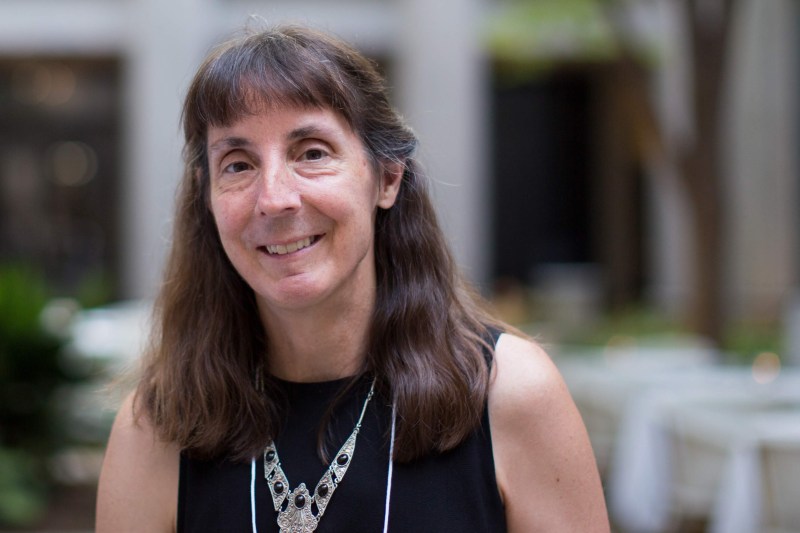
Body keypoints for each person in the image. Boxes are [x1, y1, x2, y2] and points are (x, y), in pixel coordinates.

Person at [95, 25, 609, 533]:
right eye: (238, 164)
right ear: (207, 203)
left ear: (386, 178)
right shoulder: (156, 431)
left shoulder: (511, 395)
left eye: (312, 152)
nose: (274, 198)